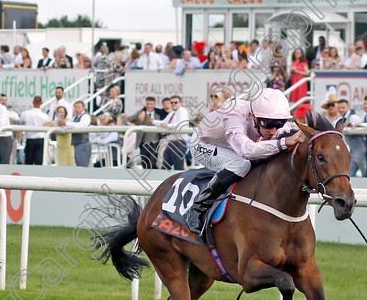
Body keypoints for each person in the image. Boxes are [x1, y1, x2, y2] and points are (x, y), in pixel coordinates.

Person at [186, 89, 306, 234]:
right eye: (268, 124)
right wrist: (285, 142)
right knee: (241, 164)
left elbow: (289, 139)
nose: (274, 131)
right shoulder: (235, 115)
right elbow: (246, 150)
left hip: (231, 145)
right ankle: (198, 208)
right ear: (254, 117)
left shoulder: (272, 117)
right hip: (203, 143)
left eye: (279, 124)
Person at [130, 96, 166, 169]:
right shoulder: (140, 113)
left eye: (151, 104)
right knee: (145, 161)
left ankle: (153, 177)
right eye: (148, 104)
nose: (149, 106)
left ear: (154, 104)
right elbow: (126, 120)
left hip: (155, 141)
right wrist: (131, 124)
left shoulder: (159, 113)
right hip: (144, 141)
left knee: (153, 161)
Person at [337, 99, 365, 176]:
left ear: (348, 107)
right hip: (352, 149)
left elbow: (360, 126)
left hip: (360, 147)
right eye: (339, 108)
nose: (341, 110)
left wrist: (351, 125)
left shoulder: (354, 117)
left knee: (364, 170)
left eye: (343, 107)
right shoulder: (342, 118)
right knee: (349, 172)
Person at [19, 96, 49, 165]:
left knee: (29, 161)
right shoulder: (44, 116)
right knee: (39, 162)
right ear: (41, 103)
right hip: (40, 140)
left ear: (33, 102)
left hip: (30, 139)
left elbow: (20, 122)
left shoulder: (26, 114)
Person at [161, 95, 189, 169]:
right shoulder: (172, 112)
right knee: (165, 167)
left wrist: (167, 126)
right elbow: (163, 123)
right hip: (171, 143)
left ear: (180, 103)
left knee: (178, 168)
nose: (173, 104)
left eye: (175, 102)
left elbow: (181, 124)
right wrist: (152, 121)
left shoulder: (182, 111)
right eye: (172, 102)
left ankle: (179, 180)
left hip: (179, 143)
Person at [67, 101, 92, 167]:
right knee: (78, 165)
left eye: (78, 107)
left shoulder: (85, 117)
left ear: (83, 108)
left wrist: (66, 124)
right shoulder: (74, 118)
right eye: (75, 107)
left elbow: (81, 125)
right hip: (76, 144)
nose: (76, 109)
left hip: (83, 144)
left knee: (83, 166)